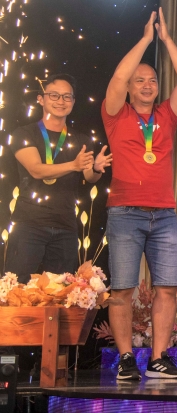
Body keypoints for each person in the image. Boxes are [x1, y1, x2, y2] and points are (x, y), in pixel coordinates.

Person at [102, 9, 177, 381]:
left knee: (167, 289)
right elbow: (117, 77)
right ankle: (126, 359)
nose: (146, 85)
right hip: (125, 213)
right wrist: (144, 40)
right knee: (122, 289)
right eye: (139, 80)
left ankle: (158, 358)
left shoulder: (166, 115)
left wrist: (167, 40)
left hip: (164, 215)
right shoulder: (116, 114)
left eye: (152, 80)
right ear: (129, 87)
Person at [5, 74, 112, 280]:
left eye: (66, 96)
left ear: (73, 101)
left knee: (60, 290)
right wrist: (73, 165)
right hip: (29, 223)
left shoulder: (81, 139)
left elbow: (89, 177)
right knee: (17, 286)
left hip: (65, 226)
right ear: (41, 99)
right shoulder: (24, 133)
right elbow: (36, 170)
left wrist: (97, 169)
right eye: (54, 95)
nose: (60, 101)